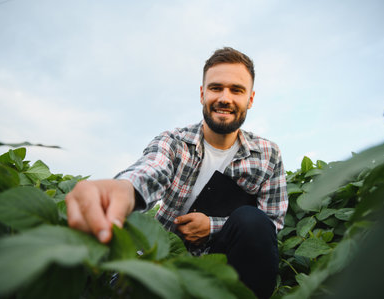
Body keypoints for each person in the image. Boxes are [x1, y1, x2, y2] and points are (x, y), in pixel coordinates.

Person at [66, 47, 288, 298]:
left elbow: (272, 221)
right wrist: (124, 189)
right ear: (203, 94)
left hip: (221, 268)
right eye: (216, 88)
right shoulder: (174, 142)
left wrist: (212, 227)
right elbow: (152, 168)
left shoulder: (267, 155)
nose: (225, 98)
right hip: (162, 264)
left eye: (236, 90)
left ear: (250, 98)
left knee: (253, 221)